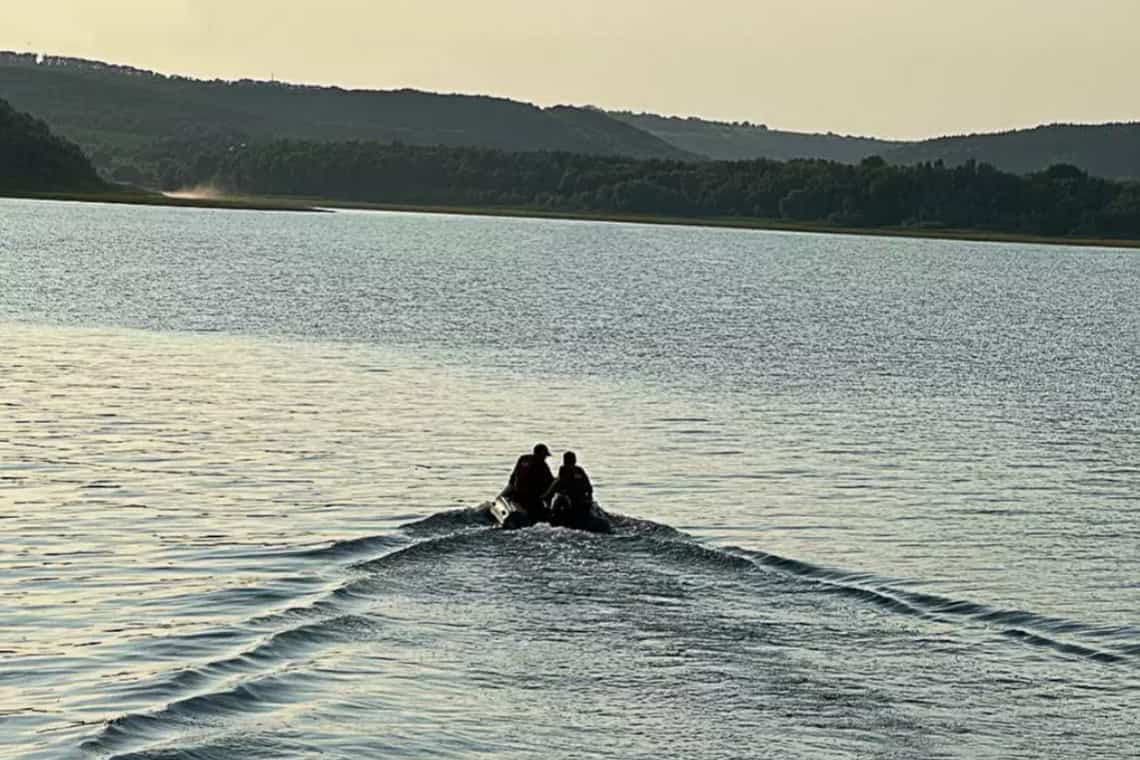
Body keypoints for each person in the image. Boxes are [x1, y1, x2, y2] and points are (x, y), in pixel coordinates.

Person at [505, 443, 555, 516]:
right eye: (544, 456)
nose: (545, 458)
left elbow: (513, 476)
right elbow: (550, 481)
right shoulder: (542, 465)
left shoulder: (523, 458)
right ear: (540, 454)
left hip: (517, 493)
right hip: (530, 497)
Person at [544, 450, 593, 519]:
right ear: (575, 460)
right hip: (579, 497)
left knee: (559, 499)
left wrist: (548, 494)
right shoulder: (578, 469)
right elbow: (588, 486)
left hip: (572, 497)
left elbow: (560, 483)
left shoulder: (564, 469)